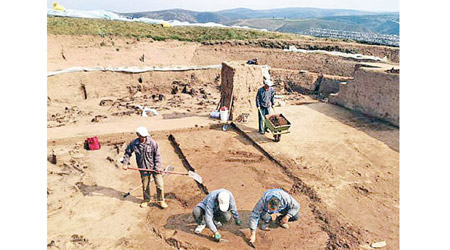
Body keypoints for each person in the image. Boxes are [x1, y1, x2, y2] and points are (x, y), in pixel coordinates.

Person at [121, 126, 168, 209]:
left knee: (160, 185)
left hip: (154, 168)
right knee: (145, 186)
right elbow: (127, 153)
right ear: (138, 135)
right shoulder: (134, 144)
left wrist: (157, 167)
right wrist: (125, 163)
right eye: (142, 136)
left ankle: (161, 200)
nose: (144, 138)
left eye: (145, 136)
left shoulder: (153, 143)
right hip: (143, 168)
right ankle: (146, 200)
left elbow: (157, 156)